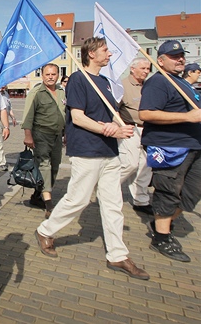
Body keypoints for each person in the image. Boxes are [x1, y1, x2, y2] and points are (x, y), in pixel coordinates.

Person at [35, 37, 149, 280]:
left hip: (109, 150)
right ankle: (45, 230)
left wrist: (121, 126)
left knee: (113, 204)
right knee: (79, 199)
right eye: (105, 50)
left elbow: (111, 112)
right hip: (86, 149)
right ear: (91, 54)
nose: (109, 54)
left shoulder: (105, 82)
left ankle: (118, 255)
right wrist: (109, 129)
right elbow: (78, 117)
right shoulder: (79, 79)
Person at [139, 40, 201, 263]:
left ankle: (160, 224)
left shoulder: (181, 82)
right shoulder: (158, 82)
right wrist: (187, 117)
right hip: (171, 147)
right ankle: (162, 237)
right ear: (161, 61)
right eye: (174, 57)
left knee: (191, 194)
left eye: (181, 56)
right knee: (168, 191)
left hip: (193, 146)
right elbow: (145, 113)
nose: (180, 59)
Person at [22, 63, 66, 218]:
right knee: (44, 165)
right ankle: (48, 202)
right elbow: (28, 115)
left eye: (53, 74)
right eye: (47, 74)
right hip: (41, 134)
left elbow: (64, 113)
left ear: (58, 75)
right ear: (42, 75)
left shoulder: (61, 91)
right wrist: (28, 135)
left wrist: (65, 132)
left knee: (55, 165)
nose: (50, 77)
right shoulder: (36, 92)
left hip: (57, 135)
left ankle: (38, 195)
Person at [118, 58, 153, 215]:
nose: (146, 71)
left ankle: (141, 200)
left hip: (147, 130)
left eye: (148, 68)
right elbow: (113, 108)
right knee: (130, 164)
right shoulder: (122, 85)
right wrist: (121, 126)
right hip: (130, 128)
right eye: (143, 68)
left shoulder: (149, 86)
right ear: (133, 69)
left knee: (145, 166)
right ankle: (108, 185)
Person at [0, 85, 15, 171]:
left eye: (4, 86)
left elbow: (9, 107)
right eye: (1, 86)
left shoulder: (6, 94)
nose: (2, 88)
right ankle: (1, 162)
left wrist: (13, 117)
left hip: (4, 121)